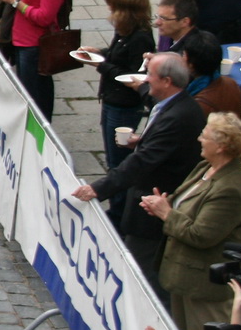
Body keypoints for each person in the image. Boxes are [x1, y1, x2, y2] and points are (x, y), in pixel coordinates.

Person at [70, 53, 205, 291]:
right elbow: (157, 137)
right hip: (151, 200)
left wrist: (98, 188)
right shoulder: (176, 105)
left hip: (153, 207)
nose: (145, 79)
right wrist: (142, 140)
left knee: (144, 274)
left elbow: (141, 162)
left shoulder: (178, 116)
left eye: (150, 75)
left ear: (166, 81)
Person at [141, 113, 241, 330]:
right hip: (184, 275)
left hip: (204, 284)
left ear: (221, 146)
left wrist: (167, 214)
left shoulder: (229, 188)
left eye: (205, 135)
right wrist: (162, 204)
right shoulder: (206, 167)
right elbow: (185, 201)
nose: (199, 138)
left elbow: (201, 235)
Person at [94, 0, 154, 169]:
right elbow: (118, 55)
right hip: (112, 99)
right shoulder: (125, 28)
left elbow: (133, 75)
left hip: (124, 106)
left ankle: (120, 198)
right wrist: (99, 53)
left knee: (118, 161)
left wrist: (101, 64)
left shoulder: (140, 37)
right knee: (112, 157)